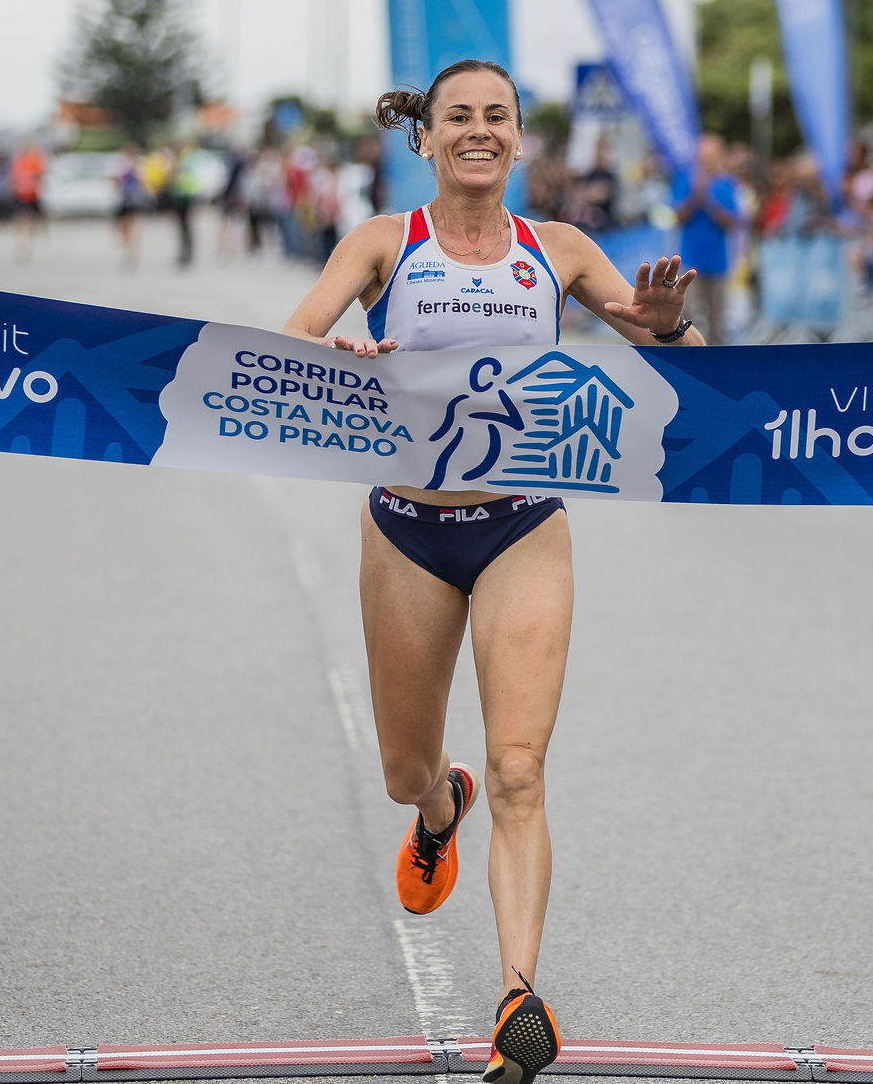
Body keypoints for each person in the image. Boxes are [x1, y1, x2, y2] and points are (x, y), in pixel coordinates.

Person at [279, 59, 706, 1084]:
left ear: (519, 141)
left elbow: (678, 349)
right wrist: (338, 351)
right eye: (457, 117)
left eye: (496, 117)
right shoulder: (385, 244)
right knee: (400, 770)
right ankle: (437, 809)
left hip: (523, 525)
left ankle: (518, 995)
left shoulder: (556, 251)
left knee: (520, 767)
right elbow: (296, 333)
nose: (477, 130)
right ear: (422, 138)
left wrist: (665, 325)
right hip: (406, 530)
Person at [673, 135, 742, 345]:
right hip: (690, 259)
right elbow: (676, 216)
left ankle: (716, 362)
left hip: (718, 262)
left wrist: (709, 202)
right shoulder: (685, 179)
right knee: (689, 313)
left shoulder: (726, 184)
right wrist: (695, 198)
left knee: (717, 318)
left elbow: (732, 222)